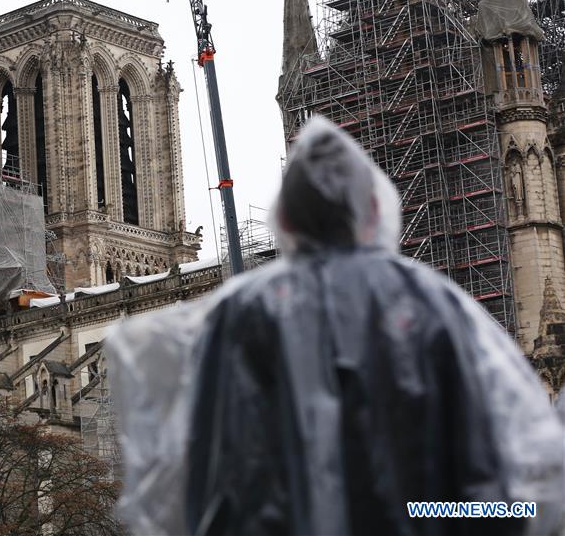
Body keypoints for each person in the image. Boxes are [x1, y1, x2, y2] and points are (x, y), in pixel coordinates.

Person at [108, 117, 564, 536]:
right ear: (373, 210)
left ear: (284, 218)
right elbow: (501, 472)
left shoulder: (238, 314)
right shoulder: (431, 303)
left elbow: (198, 476)